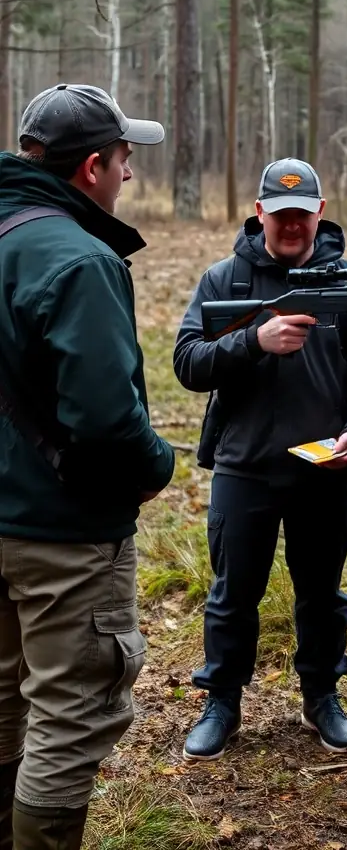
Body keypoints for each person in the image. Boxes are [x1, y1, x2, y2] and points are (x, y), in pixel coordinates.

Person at [0, 84, 175, 850]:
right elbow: (107, 423)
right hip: (63, 533)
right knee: (73, 714)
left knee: (3, 698)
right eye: (126, 158)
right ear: (94, 166)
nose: (130, 174)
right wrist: (157, 463)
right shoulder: (80, 258)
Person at [174, 158, 347, 761]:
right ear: (259, 213)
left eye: (302, 216)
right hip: (245, 464)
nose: (291, 226)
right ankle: (222, 702)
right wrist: (251, 342)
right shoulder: (224, 280)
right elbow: (186, 362)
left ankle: (321, 696)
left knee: (323, 594)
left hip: (322, 470)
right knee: (233, 593)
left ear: (320, 214)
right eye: (279, 215)